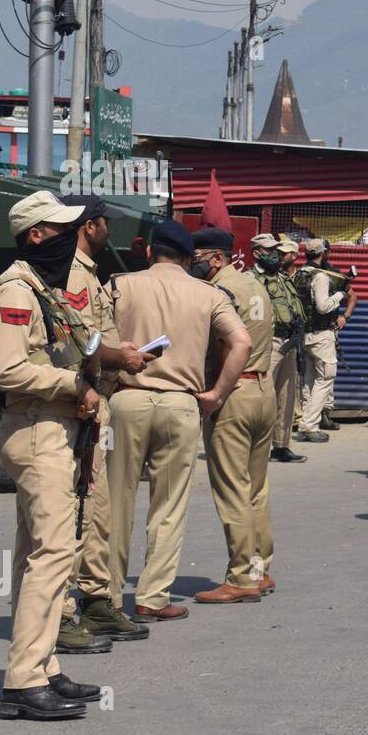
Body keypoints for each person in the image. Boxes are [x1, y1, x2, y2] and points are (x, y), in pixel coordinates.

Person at [0, 192, 107, 720]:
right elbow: (7, 369)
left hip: (50, 429)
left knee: (36, 552)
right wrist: (71, 383)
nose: (71, 237)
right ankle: (23, 681)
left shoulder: (42, 287)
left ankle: (43, 667)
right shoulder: (17, 287)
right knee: (54, 554)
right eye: (61, 229)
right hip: (35, 430)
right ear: (36, 235)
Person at [107, 221, 251, 622]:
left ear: (151, 252)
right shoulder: (208, 293)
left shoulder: (119, 285)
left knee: (115, 502)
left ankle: (107, 596)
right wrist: (217, 395)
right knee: (168, 506)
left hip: (127, 400)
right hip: (181, 405)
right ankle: (152, 598)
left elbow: (92, 338)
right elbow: (243, 342)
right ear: (190, 260)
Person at [58, 194, 153, 648]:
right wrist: (122, 356)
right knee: (75, 514)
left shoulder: (88, 272)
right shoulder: (73, 271)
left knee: (97, 511)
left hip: (99, 401)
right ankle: (60, 615)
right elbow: (82, 341)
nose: (107, 231)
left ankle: (97, 604)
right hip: (81, 401)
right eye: (103, 224)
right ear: (89, 225)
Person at [189, 228, 278, 603]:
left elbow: (225, 344)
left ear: (218, 258)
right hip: (263, 389)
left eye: (199, 258)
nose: (193, 264)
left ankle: (241, 577)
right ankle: (260, 570)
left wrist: (214, 394)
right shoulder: (256, 286)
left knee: (232, 489)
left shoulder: (218, 292)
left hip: (233, 391)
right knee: (256, 488)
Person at [250, 234, 308, 464]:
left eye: (277, 250)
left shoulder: (282, 278)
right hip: (268, 342)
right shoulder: (251, 279)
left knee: (286, 397)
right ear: (256, 253)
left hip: (290, 342)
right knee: (263, 395)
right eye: (268, 250)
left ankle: (281, 445)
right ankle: (255, 445)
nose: (275, 254)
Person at [293, 238, 355, 442]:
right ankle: (309, 425)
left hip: (304, 335)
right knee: (326, 378)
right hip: (320, 335)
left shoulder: (299, 273)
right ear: (324, 253)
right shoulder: (320, 277)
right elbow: (323, 306)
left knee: (310, 380)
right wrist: (339, 295)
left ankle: (307, 421)